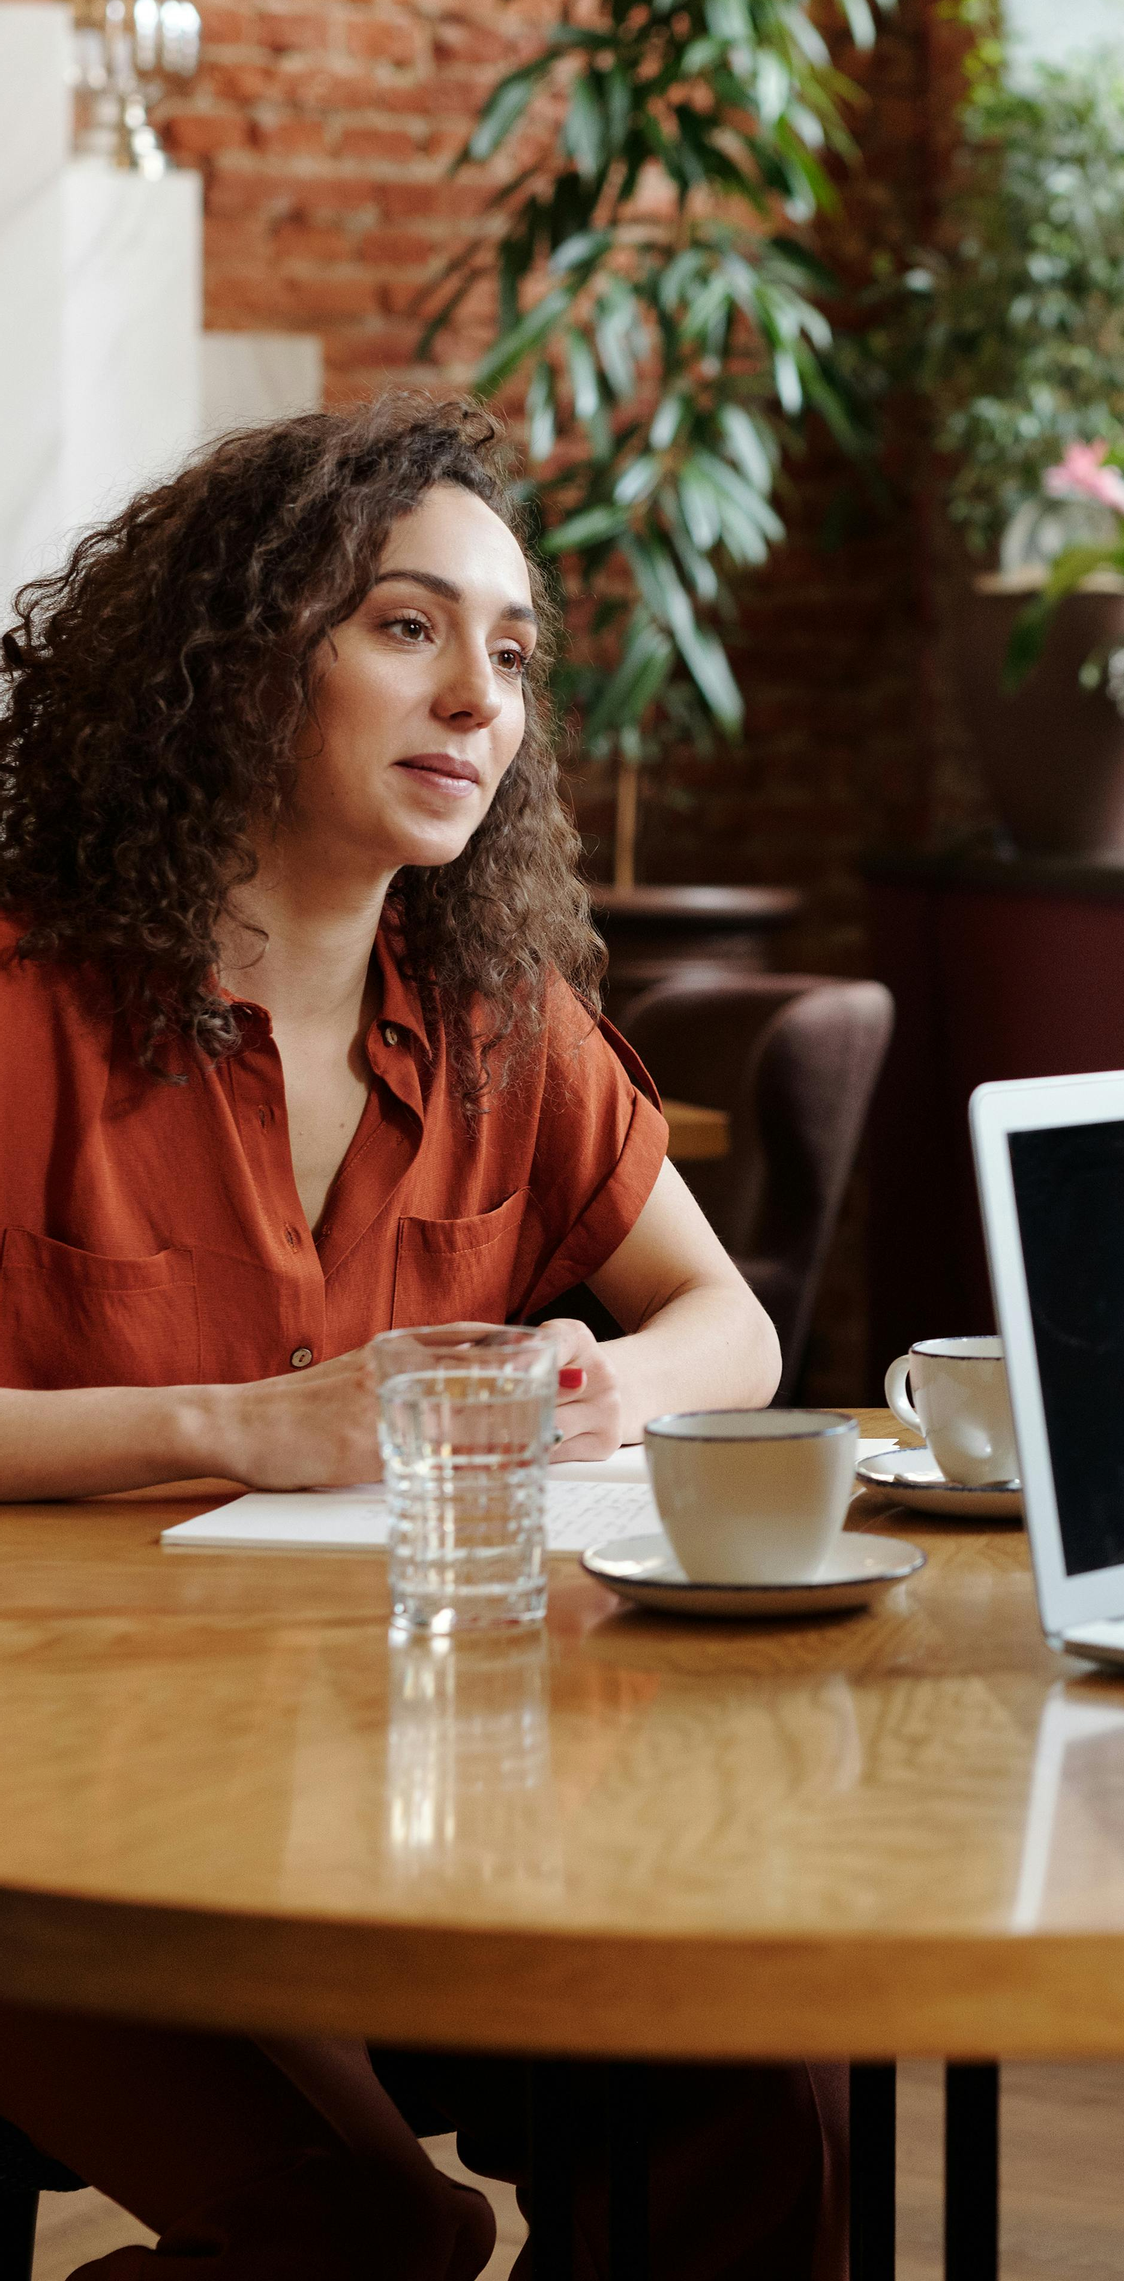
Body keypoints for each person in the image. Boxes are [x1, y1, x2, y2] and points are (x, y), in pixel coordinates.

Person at [0, 398, 833, 2278]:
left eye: (514, 652)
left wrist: (597, 1386)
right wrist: (239, 1423)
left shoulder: (494, 1018)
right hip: (51, 1812)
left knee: (755, 2083)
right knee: (368, 2233)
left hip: (404, 1778)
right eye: (406, 626)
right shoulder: (21, 1006)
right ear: (229, 664)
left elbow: (733, 1328)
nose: (480, 697)